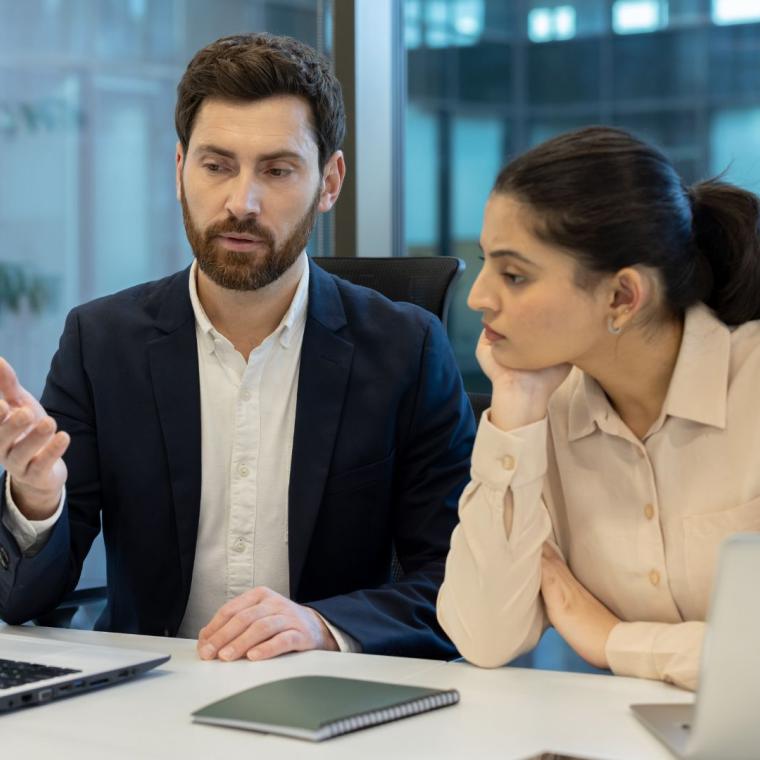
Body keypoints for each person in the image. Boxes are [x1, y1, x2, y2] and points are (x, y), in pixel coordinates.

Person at [0, 33, 474, 662]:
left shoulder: (407, 349)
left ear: (329, 182)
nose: (240, 203)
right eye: (217, 165)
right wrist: (37, 501)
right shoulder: (101, 342)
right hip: (149, 705)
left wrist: (320, 627)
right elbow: (23, 601)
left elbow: (456, 585)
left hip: (331, 700)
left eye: (277, 170)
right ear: (179, 170)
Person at [437, 126, 760, 690]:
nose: (478, 297)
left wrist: (612, 639)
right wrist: (516, 410)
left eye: (514, 275)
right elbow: (485, 638)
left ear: (622, 297)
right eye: (485, 262)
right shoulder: (545, 410)